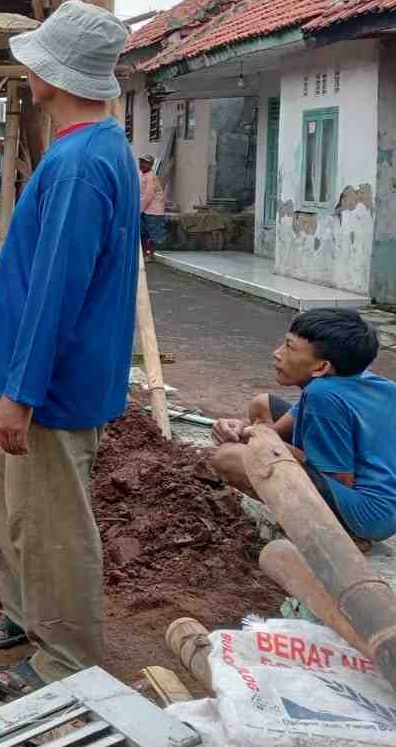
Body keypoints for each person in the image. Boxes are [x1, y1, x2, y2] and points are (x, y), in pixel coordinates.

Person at [0, 1, 140, 697]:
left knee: (53, 522)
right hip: (43, 375)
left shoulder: (77, 164)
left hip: (51, 387)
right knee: (15, 506)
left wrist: (22, 393)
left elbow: (56, 292)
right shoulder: (95, 149)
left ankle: (66, 654)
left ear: (53, 72)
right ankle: (23, 613)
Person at [209, 309, 396, 545]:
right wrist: (242, 430)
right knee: (261, 405)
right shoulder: (358, 378)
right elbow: (273, 431)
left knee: (229, 458)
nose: (277, 353)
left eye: (289, 347)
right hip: (384, 506)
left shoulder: (323, 394)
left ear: (321, 367)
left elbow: (342, 480)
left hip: (365, 513)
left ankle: (340, 537)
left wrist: (263, 446)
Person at [138, 154, 168, 257]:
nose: (142, 164)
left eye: (145, 163)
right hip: (146, 209)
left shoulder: (150, 176)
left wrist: (140, 209)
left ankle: (151, 254)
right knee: (143, 232)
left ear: (151, 165)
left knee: (153, 233)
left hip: (153, 210)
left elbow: (148, 195)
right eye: (141, 162)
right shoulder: (143, 175)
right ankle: (146, 253)